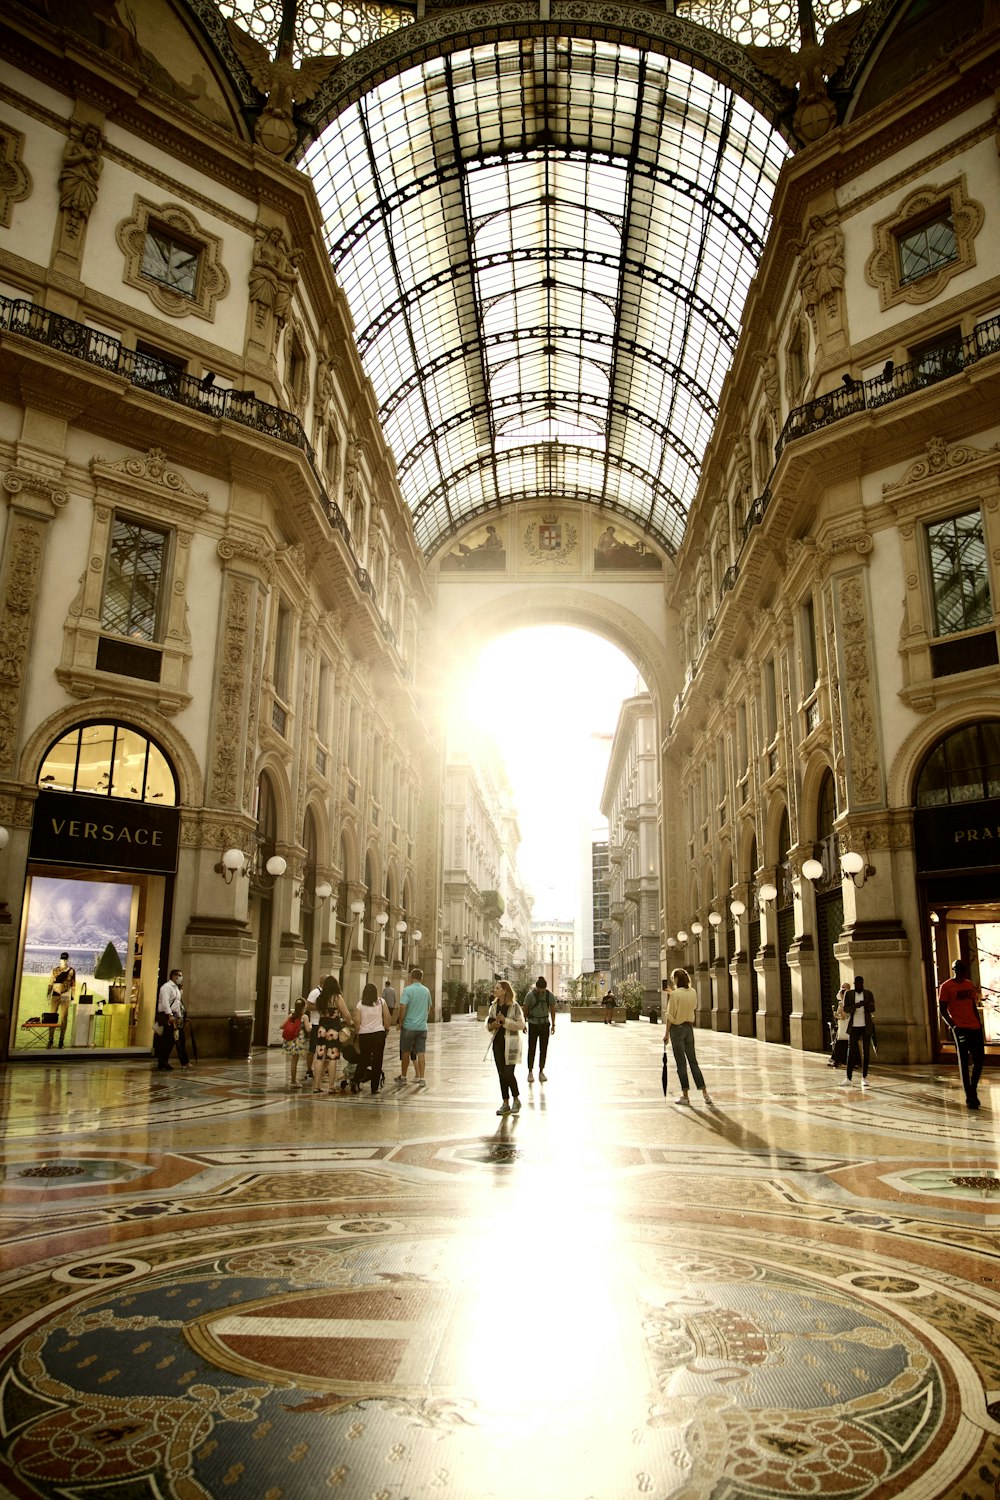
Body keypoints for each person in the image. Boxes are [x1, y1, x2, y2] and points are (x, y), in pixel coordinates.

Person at [938, 959, 984, 1110]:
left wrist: (979, 1025)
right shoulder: (946, 987)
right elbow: (943, 1009)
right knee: (964, 1062)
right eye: (958, 969)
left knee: (979, 1060)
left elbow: (972, 1006)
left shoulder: (969, 984)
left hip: (974, 1027)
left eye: (962, 969)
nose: (960, 972)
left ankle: (972, 1088)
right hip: (960, 1028)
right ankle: (970, 1096)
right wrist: (953, 1026)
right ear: (954, 970)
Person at [663, 967, 711, 1106]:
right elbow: (692, 1005)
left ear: (677, 979)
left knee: (681, 1064)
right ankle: (705, 1094)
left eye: (673, 979)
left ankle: (685, 1096)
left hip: (677, 1030)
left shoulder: (675, 994)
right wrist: (674, 994)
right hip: (689, 1029)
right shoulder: (693, 992)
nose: (673, 981)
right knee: (693, 1061)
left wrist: (666, 1034)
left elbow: (670, 1016)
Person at [486, 978, 526, 1115]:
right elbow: (488, 1023)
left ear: (504, 991)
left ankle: (516, 1099)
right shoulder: (493, 1006)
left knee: (508, 1073)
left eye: (497, 988)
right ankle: (505, 1102)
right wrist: (492, 1025)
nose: (495, 990)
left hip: (511, 1044)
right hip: (497, 1043)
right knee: (501, 1074)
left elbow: (521, 1025)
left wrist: (505, 1021)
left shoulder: (514, 1006)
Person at [311, 976, 352, 1095]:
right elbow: (346, 1014)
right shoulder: (337, 998)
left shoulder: (320, 998)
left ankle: (316, 1086)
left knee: (319, 1057)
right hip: (333, 1030)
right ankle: (331, 1086)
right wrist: (350, 1023)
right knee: (332, 1057)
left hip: (321, 1029)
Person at [395, 966, 432, 1087]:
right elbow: (428, 1007)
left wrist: (400, 1022)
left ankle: (404, 1077)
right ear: (421, 978)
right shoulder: (426, 991)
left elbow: (402, 1007)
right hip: (422, 1027)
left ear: (411, 977)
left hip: (409, 1026)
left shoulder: (407, 990)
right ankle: (422, 1078)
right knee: (421, 1052)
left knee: (405, 1052)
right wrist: (422, 1017)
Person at [355, 982, 391, 1095]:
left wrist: (357, 1031)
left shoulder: (360, 1004)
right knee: (377, 1061)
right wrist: (387, 1029)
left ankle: (356, 1080)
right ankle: (374, 1087)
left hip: (364, 1034)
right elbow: (387, 1017)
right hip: (378, 1034)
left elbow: (356, 1020)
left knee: (364, 1059)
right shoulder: (381, 1002)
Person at [840, 975, 875, 1089]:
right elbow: (846, 1009)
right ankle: (848, 1077)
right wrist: (855, 1006)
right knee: (851, 1051)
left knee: (866, 1052)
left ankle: (864, 1077)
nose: (858, 985)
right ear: (854, 984)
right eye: (856, 983)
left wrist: (866, 1005)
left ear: (862, 984)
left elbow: (873, 1008)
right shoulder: (849, 994)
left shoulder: (868, 994)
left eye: (860, 983)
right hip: (854, 1026)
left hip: (866, 1026)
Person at [523, 975, 556, 1081]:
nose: (541, 992)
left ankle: (541, 1071)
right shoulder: (530, 995)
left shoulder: (549, 995)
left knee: (543, 1049)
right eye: (539, 990)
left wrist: (553, 1024)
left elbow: (553, 1010)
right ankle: (530, 1071)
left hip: (545, 1024)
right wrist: (524, 1024)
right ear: (536, 987)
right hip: (533, 1024)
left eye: (543, 990)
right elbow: (525, 1010)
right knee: (531, 1048)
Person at [155, 969, 188, 1071]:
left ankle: (164, 1060)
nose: (180, 977)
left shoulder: (176, 989)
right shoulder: (166, 987)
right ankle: (162, 1061)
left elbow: (177, 1004)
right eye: (179, 975)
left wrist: (178, 1016)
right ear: (173, 976)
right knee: (167, 1039)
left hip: (173, 1015)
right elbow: (165, 1002)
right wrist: (170, 1015)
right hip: (166, 1015)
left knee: (171, 1040)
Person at [46, 952, 76, 1050]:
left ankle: (61, 1041)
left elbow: (73, 984)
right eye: (62, 959)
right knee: (52, 1017)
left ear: (67, 960)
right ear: (60, 959)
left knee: (63, 1017)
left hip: (65, 995)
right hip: (55, 994)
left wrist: (73, 997)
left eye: (65, 959)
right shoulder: (54, 970)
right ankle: (50, 1040)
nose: (64, 961)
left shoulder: (71, 971)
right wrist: (48, 994)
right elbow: (50, 982)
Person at [281, 998, 308, 1088]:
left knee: (292, 1061)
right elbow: (308, 1029)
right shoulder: (304, 1017)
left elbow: (281, 1026)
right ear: (304, 1007)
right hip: (298, 1040)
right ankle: (293, 1081)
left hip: (289, 1040)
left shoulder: (291, 1015)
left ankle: (293, 1080)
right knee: (294, 1062)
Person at [829, 982, 851, 1068]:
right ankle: (839, 1060)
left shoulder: (846, 1003)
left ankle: (837, 1060)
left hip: (846, 1024)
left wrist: (836, 1015)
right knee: (842, 1042)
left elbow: (844, 1016)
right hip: (842, 1025)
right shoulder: (841, 1002)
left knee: (841, 1041)